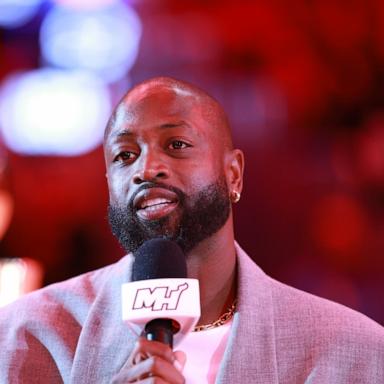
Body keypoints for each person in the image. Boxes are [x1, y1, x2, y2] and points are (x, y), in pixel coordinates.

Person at [0, 77, 383, 384]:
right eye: (125, 155)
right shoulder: (26, 336)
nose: (146, 169)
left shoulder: (352, 351)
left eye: (177, 144)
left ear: (233, 174)